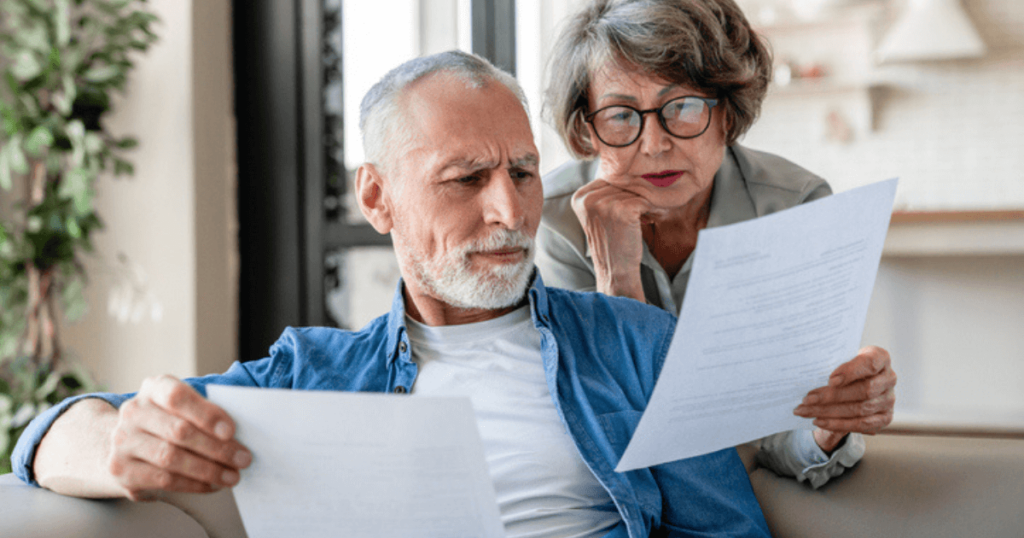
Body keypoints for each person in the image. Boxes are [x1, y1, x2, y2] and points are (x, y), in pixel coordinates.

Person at [13, 51, 771, 537]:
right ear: (377, 198)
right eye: (467, 178)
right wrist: (122, 448)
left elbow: (727, 532)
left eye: (522, 171)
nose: (511, 212)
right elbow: (46, 433)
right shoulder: (312, 374)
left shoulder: (634, 343)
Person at [535, 0, 896, 488]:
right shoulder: (555, 218)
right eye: (620, 115)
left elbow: (779, 435)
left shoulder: (795, 207)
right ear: (588, 131)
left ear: (727, 114)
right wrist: (616, 276)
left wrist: (828, 425)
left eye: (681, 107)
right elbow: (606, 430)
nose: (654, 144)